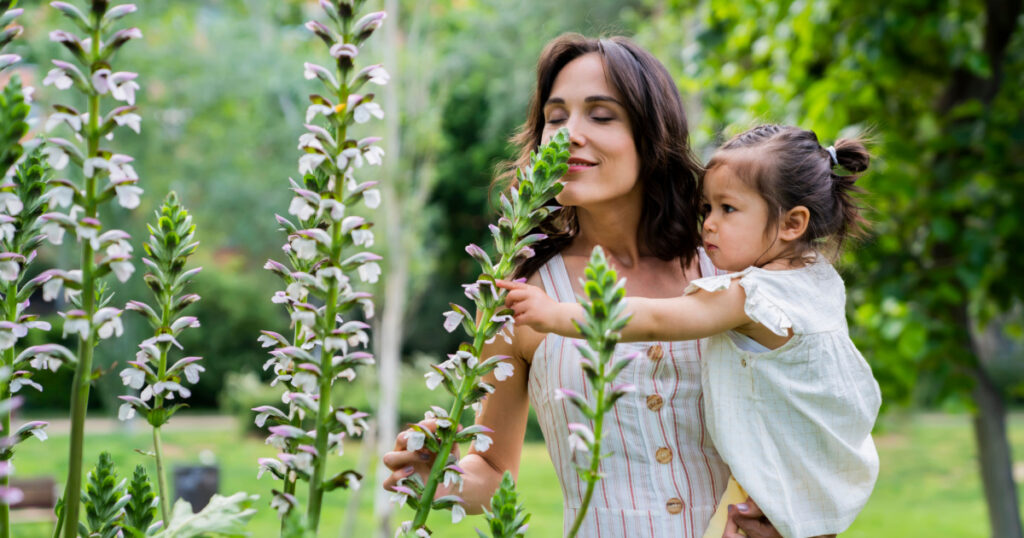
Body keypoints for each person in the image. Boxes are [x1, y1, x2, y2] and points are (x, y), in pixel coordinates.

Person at [383, 33, 784, 537]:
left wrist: (782, 513)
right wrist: (436, 478)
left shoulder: (729, 275)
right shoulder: (520, 296)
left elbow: (801, 411)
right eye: (555, 117)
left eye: (601, 115)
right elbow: (491, 472)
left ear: (650, 132)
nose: (569, 134)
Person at [499, 124, 883, 538]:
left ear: (792, 223)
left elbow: (657, 320)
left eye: (728, 209)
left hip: (777, 485)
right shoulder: (818, 280)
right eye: (707, 210)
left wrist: (556, 315)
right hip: (810, 479)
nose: (710, 226)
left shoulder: (750, 295)